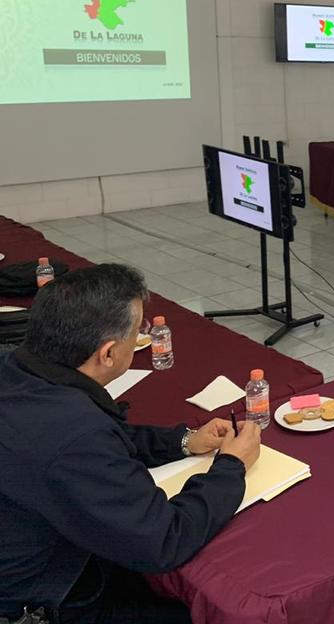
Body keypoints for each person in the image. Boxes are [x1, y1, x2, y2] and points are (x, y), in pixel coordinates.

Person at [0, 264, 261, 623]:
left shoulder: (17, 369)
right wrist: (232, 466)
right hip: (46, 599)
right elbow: (164, 539)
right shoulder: (74, 433)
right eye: (138, 331)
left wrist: (185, 441)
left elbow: (106, 440)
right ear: (108, 353)